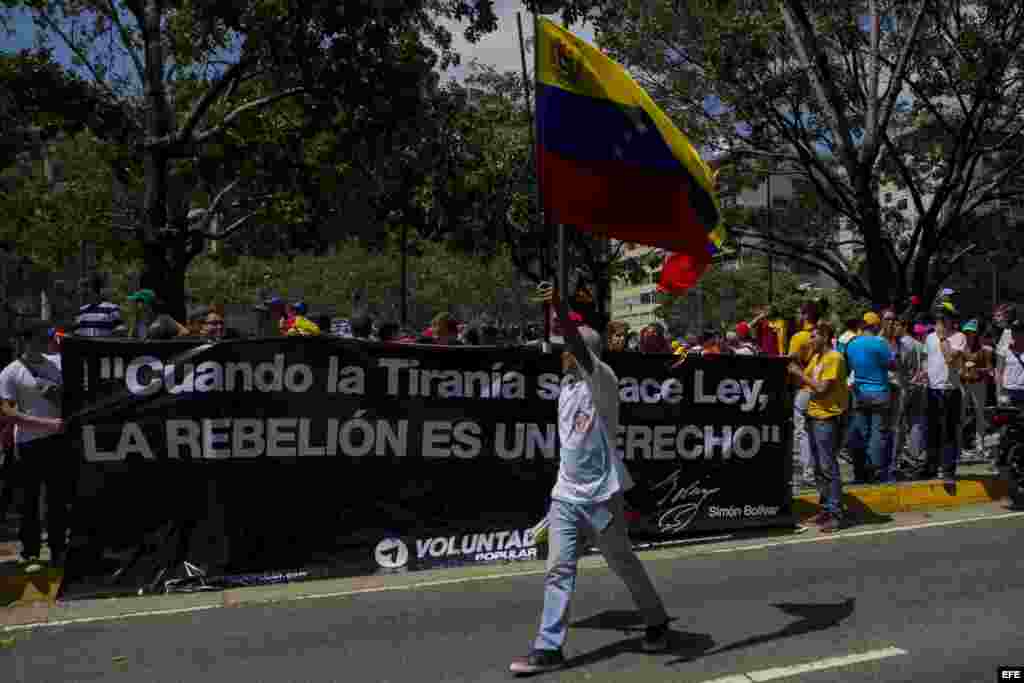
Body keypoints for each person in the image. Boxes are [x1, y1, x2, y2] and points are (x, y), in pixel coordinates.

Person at [510, 288, 670, 674]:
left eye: (566, 348)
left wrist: (563, 310)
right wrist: (553, 310)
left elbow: (581, 352)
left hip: (601, 495)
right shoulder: (566, 387)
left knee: (623, 562)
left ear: (583, 352)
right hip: (565, 495)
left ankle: (656, 620)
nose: (561, 354)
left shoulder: (604, 380)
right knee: (558, 569)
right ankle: (549, 648)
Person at [0, 323, 69, 572]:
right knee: (28, 499)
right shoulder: (11, 372)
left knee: (57, 499)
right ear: (24, 341)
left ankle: (58, 549)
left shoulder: (58, 364)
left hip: (58, 441)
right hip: (28, 444)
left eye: (44, 338)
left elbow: (73, 396)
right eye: (36, 338)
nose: (42, 342)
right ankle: (30, 552)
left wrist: (59, 393)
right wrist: (49, 424)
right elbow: (7, 412)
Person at [788, 322, 849, 532]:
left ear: (824, 336)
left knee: (828, 466)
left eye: (814, 337)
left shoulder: (834, 358)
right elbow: (807, 384)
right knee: (818, 467)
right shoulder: (816, 358)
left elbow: (822, 388)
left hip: (828, 417)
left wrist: (799, 372)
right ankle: (825, 509)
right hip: (813, 415)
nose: (810, 340)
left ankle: (835, 513)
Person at [845, 311, 896, 483]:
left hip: (859, 393)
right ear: (875, 326)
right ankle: (874, 471)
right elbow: (892, 365)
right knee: (877, 433)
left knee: (861, 432)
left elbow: (848, 366)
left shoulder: (851, 344)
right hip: (879, 392)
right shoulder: (880, 344)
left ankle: (860, 471)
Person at [924, 302, 967, 482]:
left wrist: (942, 339)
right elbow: (928, 358)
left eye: (943, 318)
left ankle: (948, 469)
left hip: (950, 389)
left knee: (949, 431)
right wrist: (924, 373)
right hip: (932, 388)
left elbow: (949, 359)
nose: (940, 322)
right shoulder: (929, 337)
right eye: (938, 318)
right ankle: (931, 466)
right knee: (932, 429)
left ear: (951, 320)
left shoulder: (959, 337)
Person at [960, 319, 993, 459]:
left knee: (980, 414)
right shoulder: (961, 349)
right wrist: (962, 371)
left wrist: (978, 370)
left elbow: (990, 369)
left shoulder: (984, 350)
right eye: (966, 333)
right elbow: (957, 368)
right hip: (963, 384)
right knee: (960, 415)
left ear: (976, 334)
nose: (968, 335)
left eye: (971, 333)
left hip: (979, 384)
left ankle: (981, 446)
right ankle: (959, 446)